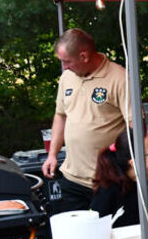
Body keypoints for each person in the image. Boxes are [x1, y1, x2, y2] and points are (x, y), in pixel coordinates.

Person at [42, 28, 130, 214]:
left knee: (106, 238)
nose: (64, 66)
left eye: (67, 61)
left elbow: (136, 125)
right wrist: (52, 154)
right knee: (75, 237)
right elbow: (60, 115)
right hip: (72, 178)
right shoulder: (67, 77)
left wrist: (126, 164)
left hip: (106, 180)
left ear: (84, 56)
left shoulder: (119, 77)